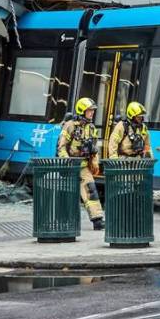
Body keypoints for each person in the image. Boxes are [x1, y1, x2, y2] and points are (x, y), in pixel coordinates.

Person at [57, 98, 104, 231]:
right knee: (67, 195)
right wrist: (67, 161)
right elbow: (62, 147)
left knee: (91, 191)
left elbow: (94, 148)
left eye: (93, 111)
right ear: (82, 111)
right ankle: (62, 221)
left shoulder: (91, 127)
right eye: (89, 110)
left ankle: (97, 220)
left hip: (83, 166)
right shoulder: (70, 125)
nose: (92, 113)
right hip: (70, 166)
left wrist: (94, 162)